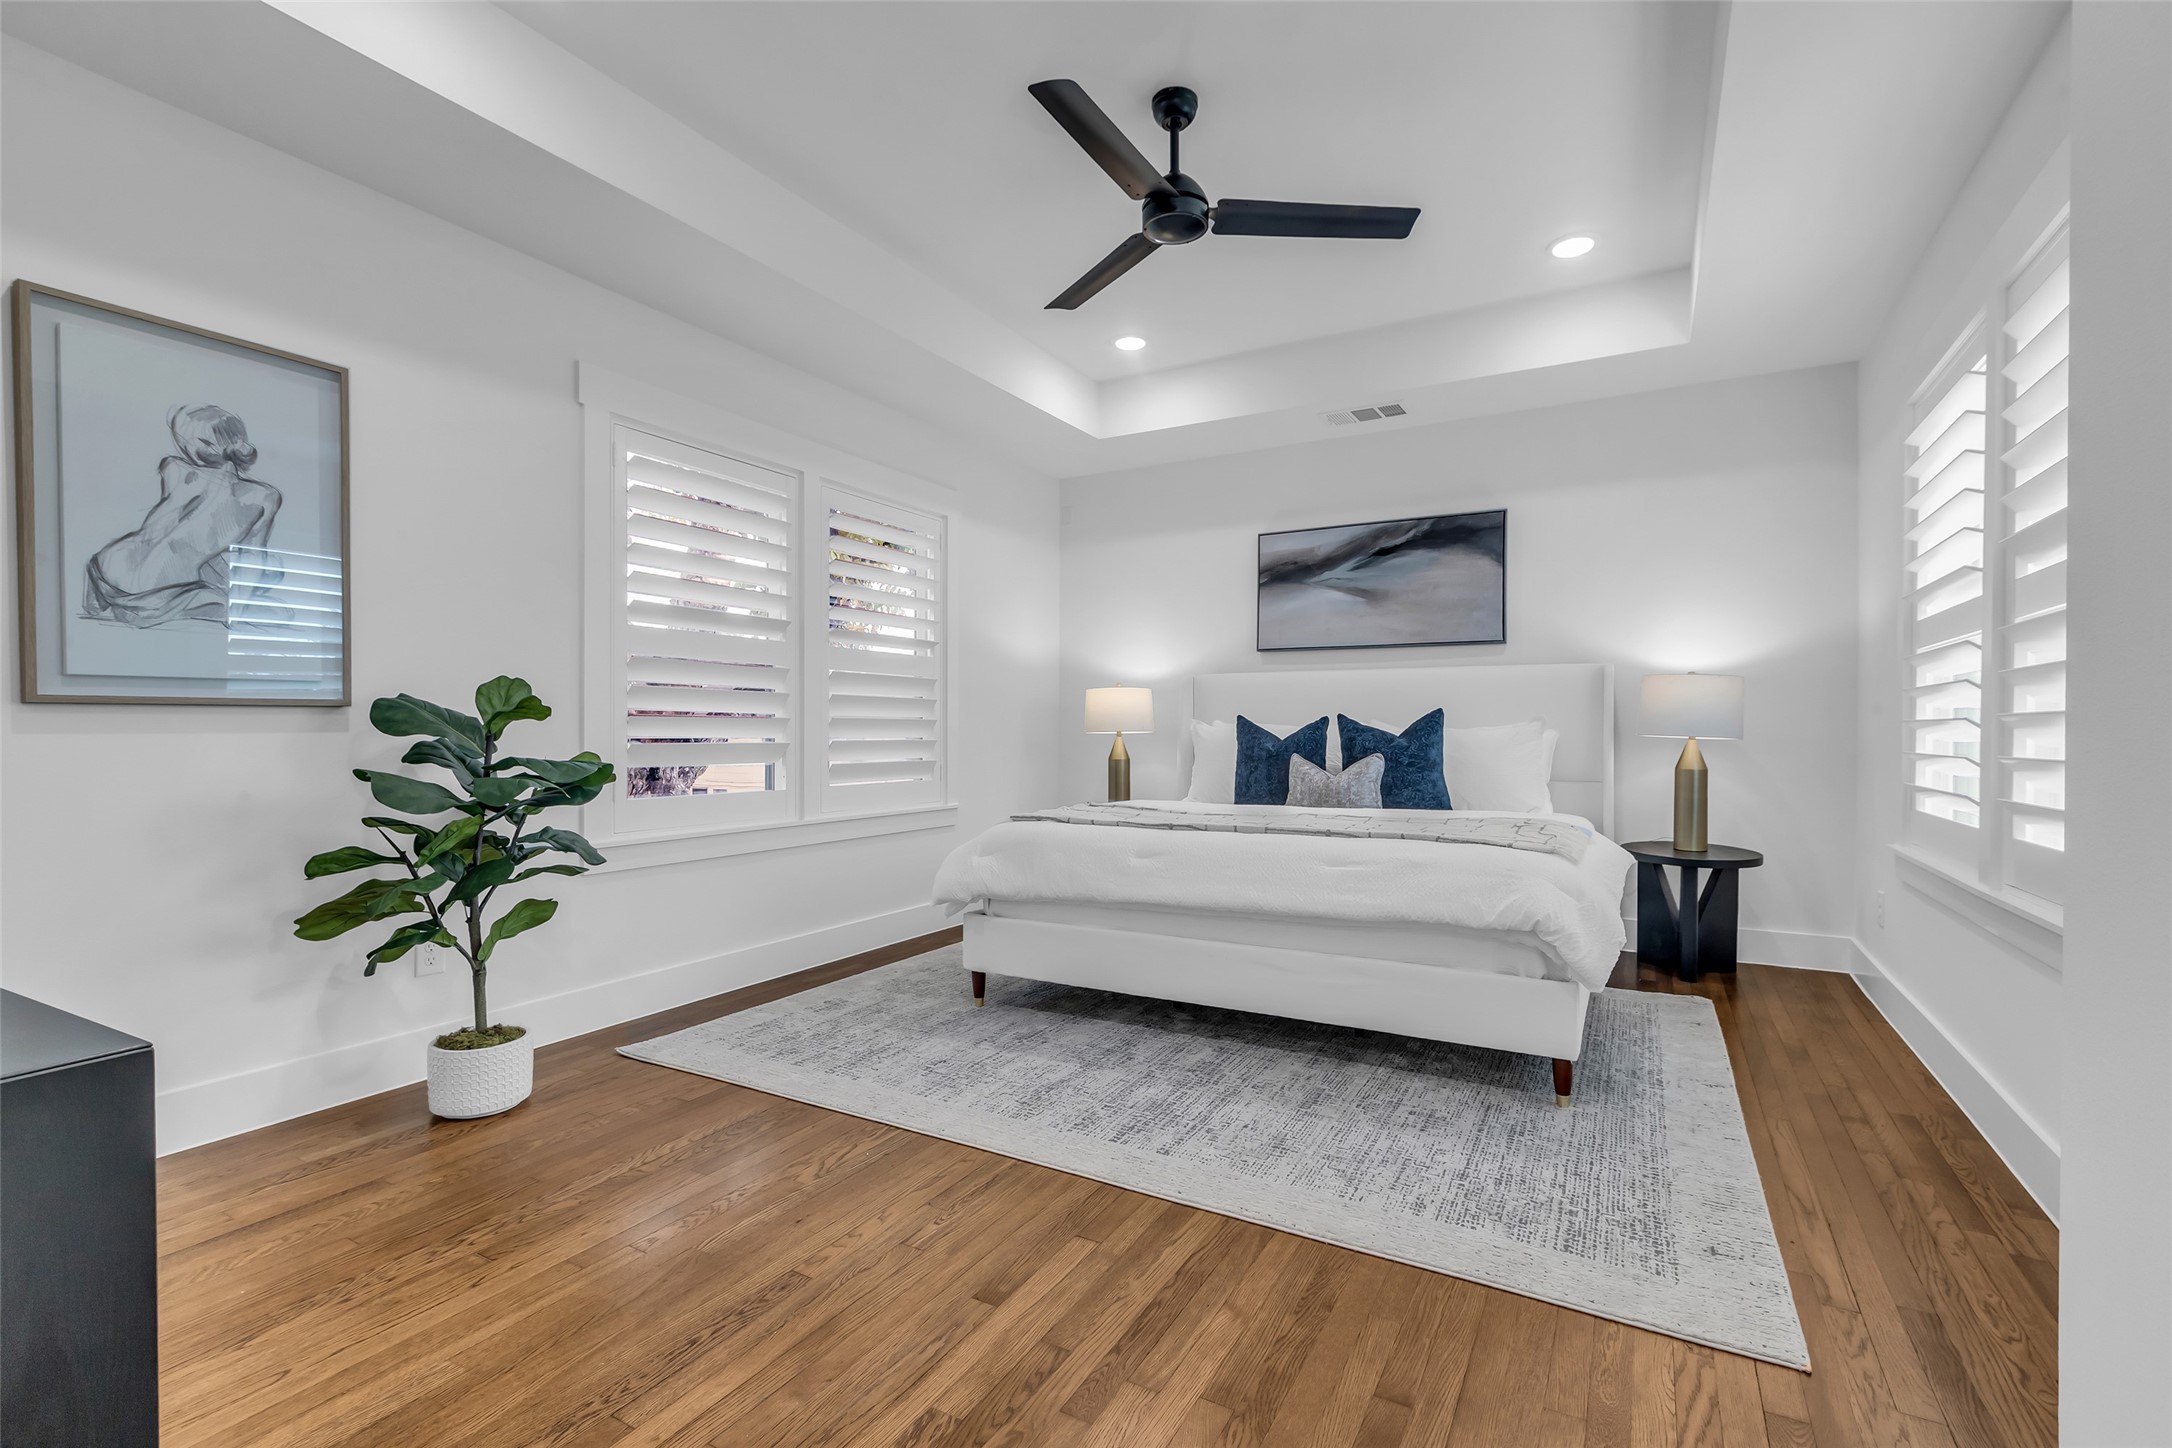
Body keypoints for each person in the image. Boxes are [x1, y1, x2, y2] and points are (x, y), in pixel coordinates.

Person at [82, 403, 283, 628]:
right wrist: (236, 611)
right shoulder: (263, 497)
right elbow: (252, 559)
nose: (181, 446)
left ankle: (101, 609)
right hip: (155, 595)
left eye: (184, 440)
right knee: (269, 606)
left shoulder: (173, 469)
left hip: (102, 569)